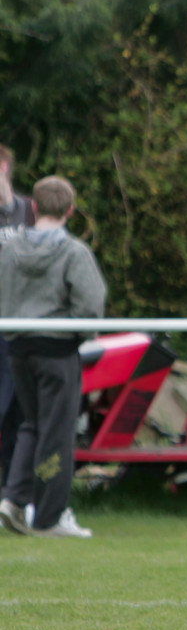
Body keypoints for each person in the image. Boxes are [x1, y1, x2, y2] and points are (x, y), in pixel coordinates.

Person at [0, 175, 107, 538]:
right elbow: (91, 306)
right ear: (70, 210)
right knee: (57, 433)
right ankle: (49, 516)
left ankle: (13, 498)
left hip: (17, 349)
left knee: (30, 424)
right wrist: (79, 334)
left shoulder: (9, 250)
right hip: (56, 351)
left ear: (33, 206)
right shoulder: (74, 252)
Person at [0, 143, 35, 486]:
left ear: (5, 168)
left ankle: (13, 491)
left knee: (18, 413)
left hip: (24, 324)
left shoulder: (30, 211)